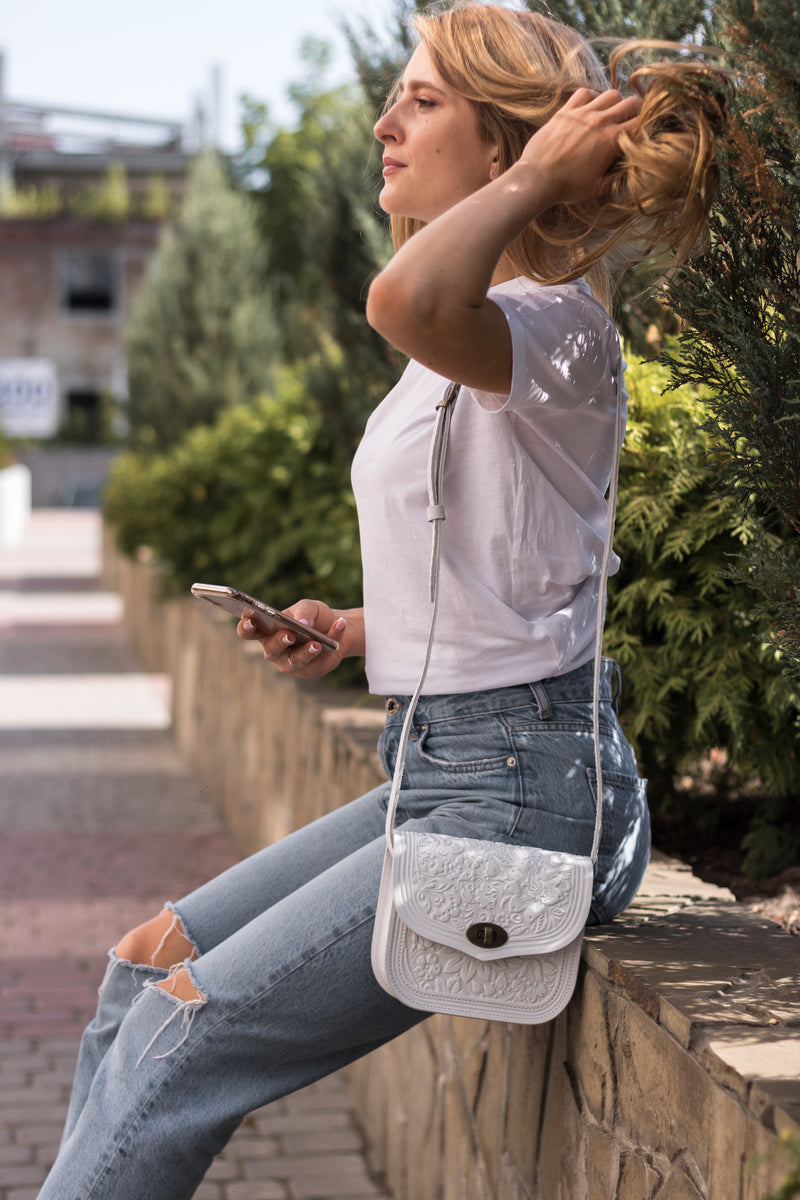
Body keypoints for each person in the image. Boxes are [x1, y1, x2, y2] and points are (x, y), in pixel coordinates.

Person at [40, 6, 729, 1198]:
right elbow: (505, 569)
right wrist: (354, 630)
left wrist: (536, 182)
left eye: (419, 102)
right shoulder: (475, 340)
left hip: (521, 797)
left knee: (180, 1036)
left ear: (510, 147)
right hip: (444, 762)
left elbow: (398, 296)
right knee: (140, 975)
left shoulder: (559, 331)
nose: (382, 123)